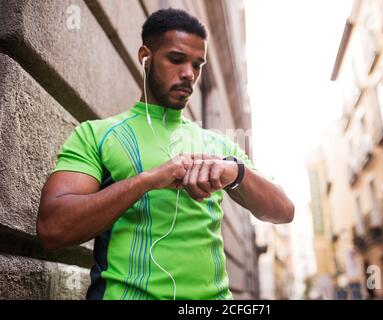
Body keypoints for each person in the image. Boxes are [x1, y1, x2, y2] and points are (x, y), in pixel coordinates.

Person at [36, 8, 294, 300]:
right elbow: (52, 228)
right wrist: (148, 180)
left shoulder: (219, 147)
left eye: (197, 65)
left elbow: (284, 211)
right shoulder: (96, 134)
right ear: (145, 57)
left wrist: (236, 173)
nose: (189, 74)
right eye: (176, 59)